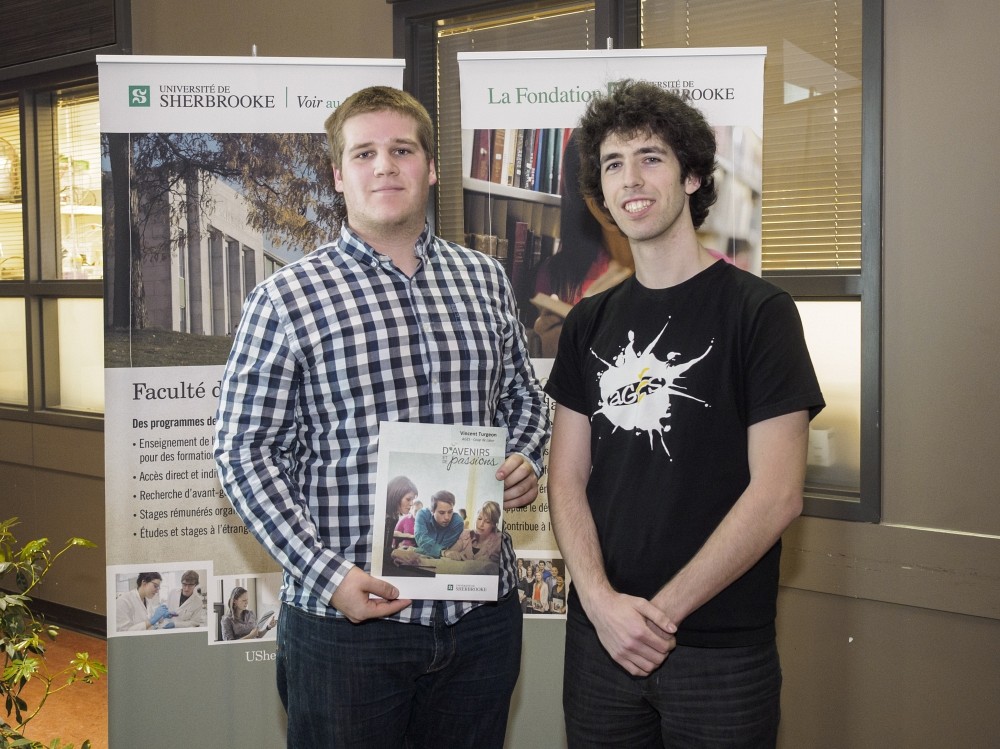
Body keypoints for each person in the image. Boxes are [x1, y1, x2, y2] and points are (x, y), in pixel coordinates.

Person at [214, 85, 549, 748]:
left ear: (429, 167)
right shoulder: (285, 298)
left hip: (478, 618)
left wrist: (526, 458)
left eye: (402, 149)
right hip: (348, 626)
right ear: (339, 175)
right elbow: (243, 452)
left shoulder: (484, 280)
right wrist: (327, 575)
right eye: (363, 153)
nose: (385, 166)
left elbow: (522, 399)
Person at [545, 80, 825, 748]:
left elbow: (779, 493)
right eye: (613, 164)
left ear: (693, 174)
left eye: (650, 157)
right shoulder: (589, 321)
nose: (630, 179)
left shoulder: (760, 313)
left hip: (719, 651)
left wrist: (657, 617)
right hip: (601, 646)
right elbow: (565, 477)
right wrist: (605, 607)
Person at [442, 500, 503, 565]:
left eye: (487, 521)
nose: (481, 524)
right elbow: (451, 552)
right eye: (479, 519)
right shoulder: (466, 534)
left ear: (493, 524)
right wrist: (448, 553)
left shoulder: (499, 541)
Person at [412, 489, 464, 558]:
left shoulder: (457, 522)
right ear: (432, 511)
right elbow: (421, 539)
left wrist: (416, 550)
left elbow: (442, 549)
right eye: (442, 513)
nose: (447, 517)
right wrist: (442, 552)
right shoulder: (422, 515)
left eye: (450, 512)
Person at [384, 475, 417, 554]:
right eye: (408, 499)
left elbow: (386, 548)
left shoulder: (394, 517)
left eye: (412, 500)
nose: (412, 504)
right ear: (396, 496)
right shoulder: (382, 516)